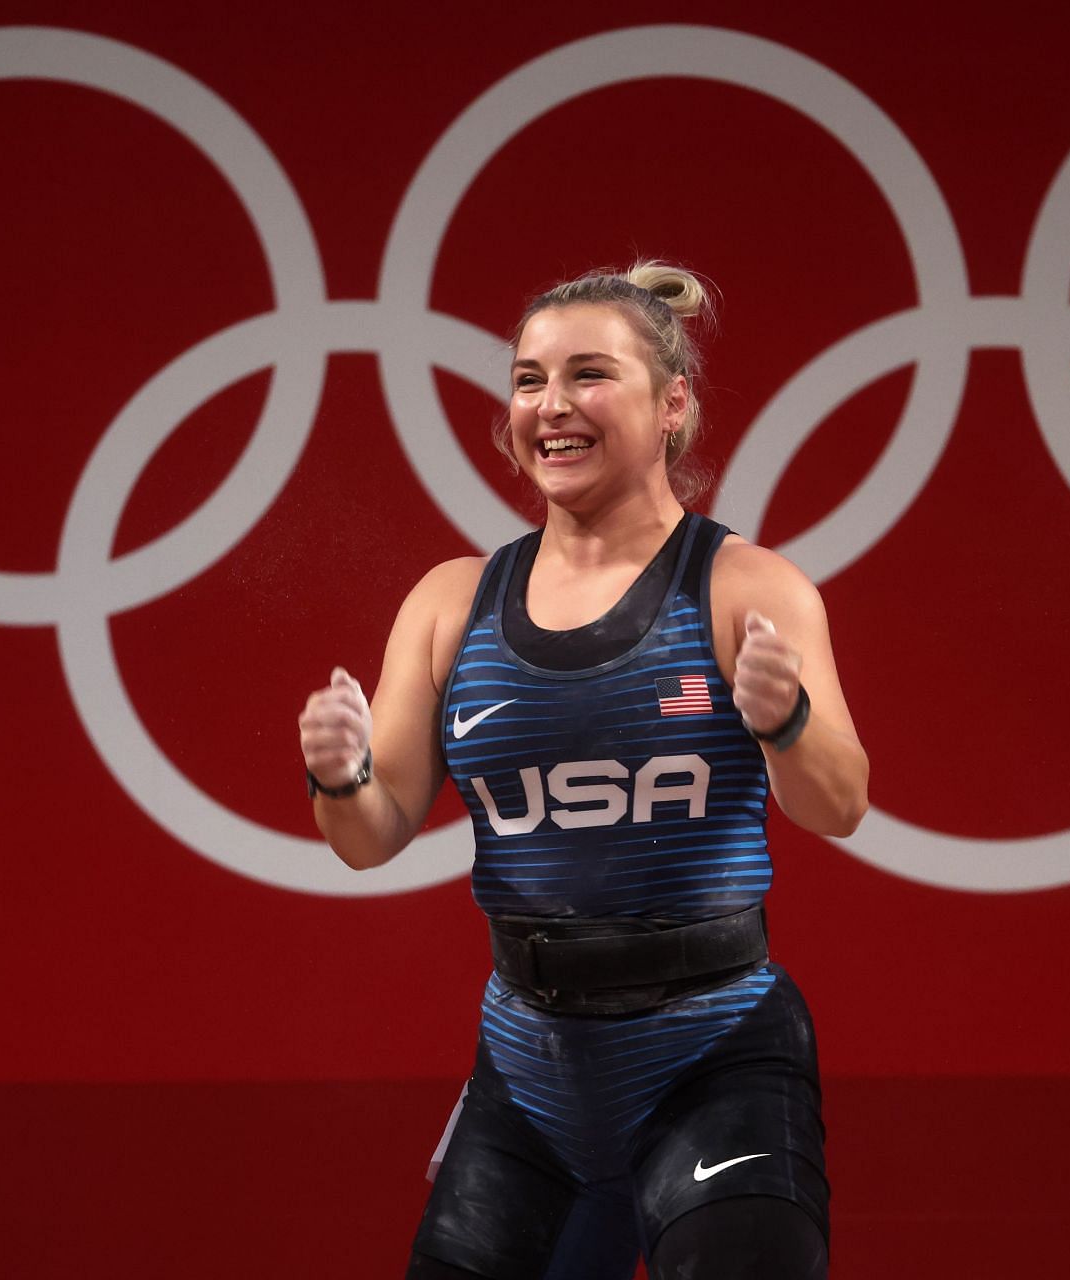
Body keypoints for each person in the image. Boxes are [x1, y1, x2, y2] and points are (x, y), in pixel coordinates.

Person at [296, 262, 868, 1279]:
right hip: (529, 1071)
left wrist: (786, 719)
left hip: (716, 1052)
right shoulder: (450, 602)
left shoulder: (745, 585)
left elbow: (839, 803)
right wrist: (339, 777)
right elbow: (370, 835)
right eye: (527, 380)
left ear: (672, 404)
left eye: (589, 374)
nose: (550, 406)